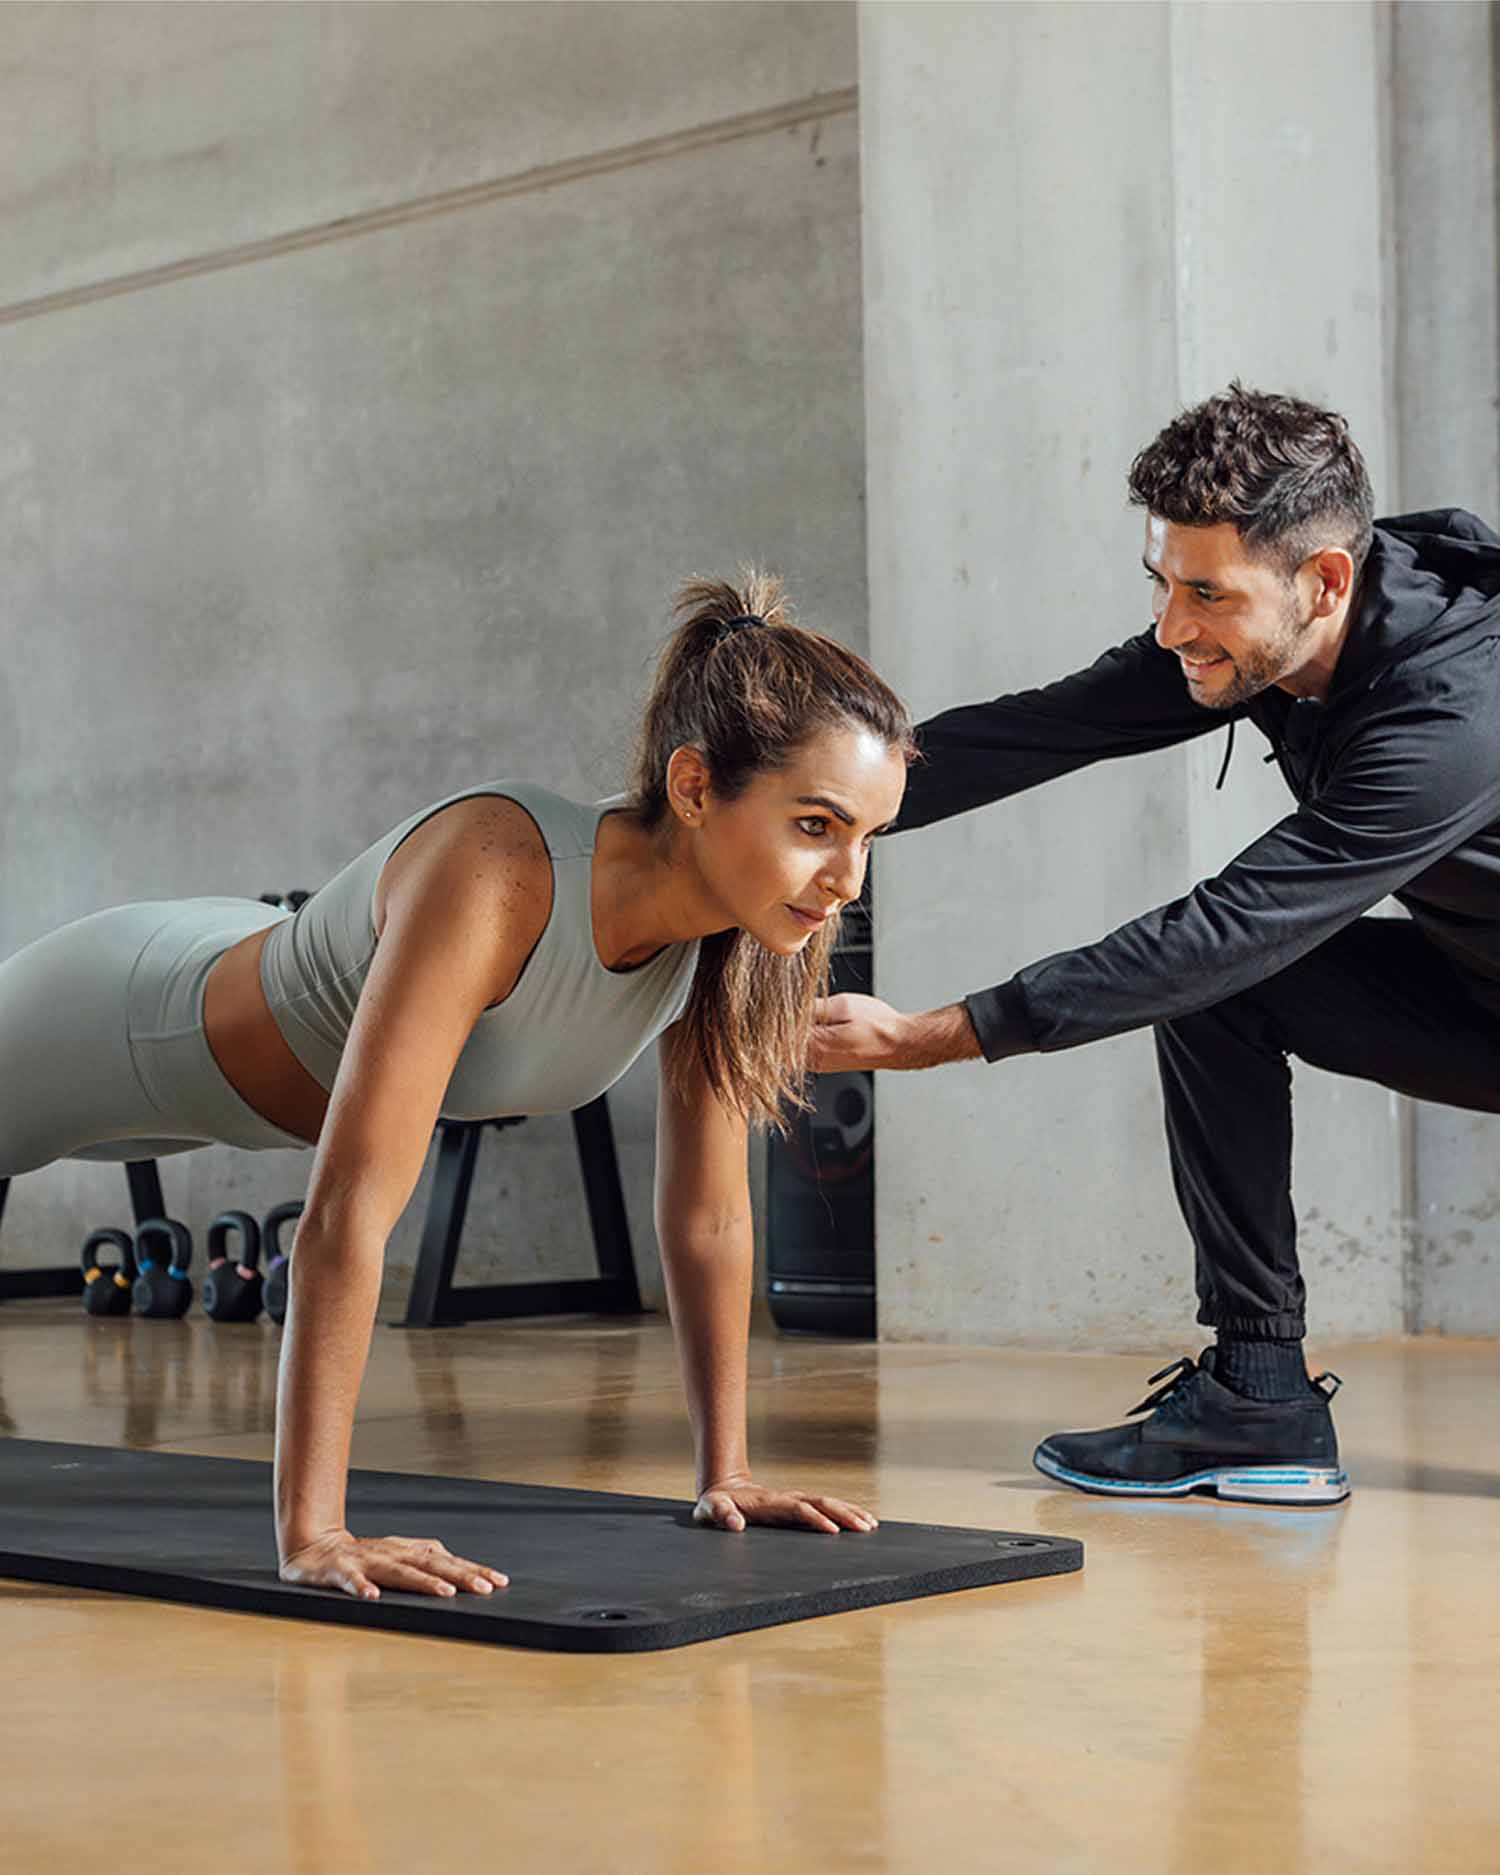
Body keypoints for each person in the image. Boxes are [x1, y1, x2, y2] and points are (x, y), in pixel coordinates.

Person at [0, 574, 912, 1595]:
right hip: (114, 1021)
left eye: (867, 837)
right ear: (695, 788)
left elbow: (709, 1216)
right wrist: (315, 1532)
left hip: (226, 1014)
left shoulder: (739, 937)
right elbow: (348, 1209)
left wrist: (726, 1475)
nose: (848, 881)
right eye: (817, 826)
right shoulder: (499, 868)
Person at [812, 382, 1500, 1507]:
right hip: (1479, 992)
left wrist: (933, 1037)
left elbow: (1231, 923)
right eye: (1162, 582)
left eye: (1205, 594)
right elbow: (1044, 727)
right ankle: (1259, 1400)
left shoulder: (1455, 715)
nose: (1174, 626)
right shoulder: (1282, 631)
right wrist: (795, 810)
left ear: (1325, 581)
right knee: (1225, 991)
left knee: (1216, 959)